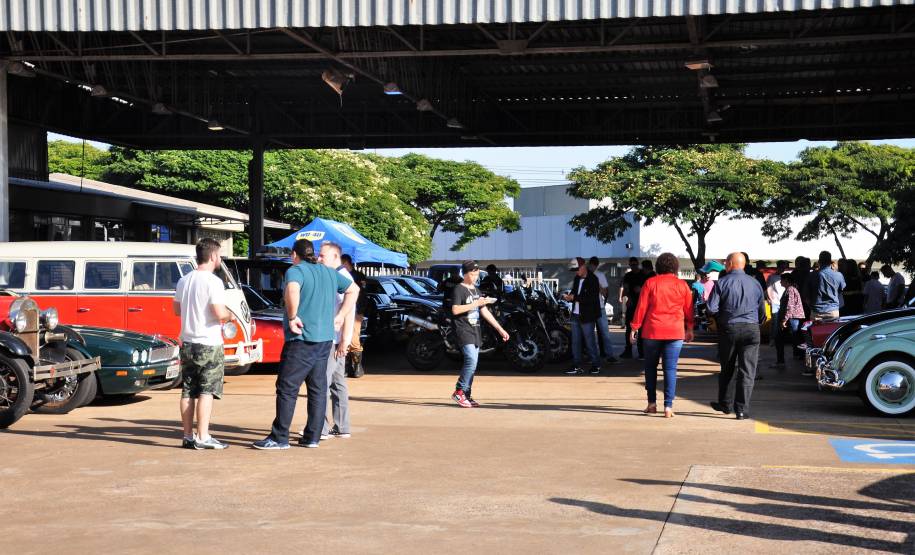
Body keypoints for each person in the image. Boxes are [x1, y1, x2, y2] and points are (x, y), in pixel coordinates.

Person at [253, 238, 358, 450]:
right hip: (325, 340)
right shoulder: (328, 272)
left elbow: (292, 290)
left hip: (301, 339)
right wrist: (341, 315)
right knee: (318, 389)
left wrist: (292, 316)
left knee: (287, 388)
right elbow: (353, 290)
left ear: (294, 255)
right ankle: (313, 437)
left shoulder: (296, 270)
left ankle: (279, 437)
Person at [173, 238, 232, 450]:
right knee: (207, 390)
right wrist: (229, 316)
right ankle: (203, 436)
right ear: (213, 256)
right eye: (219, 255)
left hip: (187, 341)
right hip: (209, 342)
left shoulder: (184, 280)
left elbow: (177, 310)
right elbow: (219, 312)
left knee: (188, 390)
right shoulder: (213, 282)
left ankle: (188, 436)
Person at [628, 253, 694, 418]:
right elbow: (689, 309)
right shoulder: (682, 285)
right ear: (676, 267)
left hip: (652, 331)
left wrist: (634, 327)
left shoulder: (650, 283)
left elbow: (641, 307)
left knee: (650, 367)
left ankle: (651, 404)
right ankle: (668, 407)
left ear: (658, 267)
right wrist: (690, 328)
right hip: (675, 331)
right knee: (670, 369)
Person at [708, 252, 766, 420]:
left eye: (726, 262)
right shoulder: (755, 283)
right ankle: (741, 410)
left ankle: (725, 404)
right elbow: (762, 312)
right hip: (752, 329)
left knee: (727, 368)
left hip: (729, 328)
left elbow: (712, 308)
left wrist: (723, 316)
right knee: (747, 371)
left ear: (731, 264)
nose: (725, 264)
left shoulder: (722, 283)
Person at [451, 260, 509, 408]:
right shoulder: (459, 289)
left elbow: (484, 312)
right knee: (470, 360)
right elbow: (455, 310)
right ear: (464, 273)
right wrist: (475, 304)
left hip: (475, 330)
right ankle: (459, 391)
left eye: (477, 274)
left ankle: (466, 394)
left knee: (473, 364)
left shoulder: (476, 290)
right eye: (472, 274)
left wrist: (500, 329)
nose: (475, 277)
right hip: (463, 329)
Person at [319, 243, 355, 440]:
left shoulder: (341, 279)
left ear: (335, 257)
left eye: (322, 255)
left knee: (322, 382)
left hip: (334, 339)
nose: (318, 259)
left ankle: (321, 428)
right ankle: (341, 427)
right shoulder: (339, 277)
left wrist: (344, 341)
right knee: (337, 382)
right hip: (337, 339)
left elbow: (348, 312)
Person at [564, 257, 603, 375]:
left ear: (583, 266)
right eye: (575, 270)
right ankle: (576, 365)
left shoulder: (593, 279)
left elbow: (591, 298)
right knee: (575, 342)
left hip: (587, 316)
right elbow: (575, 291)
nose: (576, 272)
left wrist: (573, 298)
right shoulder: (577, 278)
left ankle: (596, 364)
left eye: (577, 269)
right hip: (576, 314)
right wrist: (569, 296)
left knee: (589, 341)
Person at [588, 256, 619, 365]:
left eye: (593, 265)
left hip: (598, 307)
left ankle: (607, 354)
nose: (591, 267)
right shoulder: (585, 275)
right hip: (593, 307)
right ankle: (595, 355)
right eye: (590, 265)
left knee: (602, 332)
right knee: (592, 333)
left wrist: (598, 287)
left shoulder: (599, 275)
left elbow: (605, 292)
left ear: (595, 265)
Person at [773, 273, 804, 370]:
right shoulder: (791, 289)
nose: (780, 282)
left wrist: (784, 320)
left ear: (786, 280)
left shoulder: (790, 290)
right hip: (792, 318)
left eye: (781, 280)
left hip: (791, 318)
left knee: (781, 338)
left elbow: (790, 306)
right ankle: (798, 356)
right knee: (794, 338)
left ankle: (781, 361)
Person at [811, 251, 845, 321]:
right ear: (830, 262)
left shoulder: (812, 275)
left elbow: (806, 294)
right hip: (833, 311)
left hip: (816, 311)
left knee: (816, 331)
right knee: (834, 331)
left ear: (819, 261)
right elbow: (841, 289)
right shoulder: (838, 275)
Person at [619, 257, 642, 358]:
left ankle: (641, 351)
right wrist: (625, 298)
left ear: (638, 264)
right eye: (631, 265)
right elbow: (625, 288)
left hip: (642, 305)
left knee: (641, 328)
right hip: (632, 304)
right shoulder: (628, 275)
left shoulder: (643, 275)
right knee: (629, 328)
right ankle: (628, 350)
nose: (633, 267)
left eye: (634, 265)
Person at [766, 260, 789, 343]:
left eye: (784, 267)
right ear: (778, 267)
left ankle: (781, 339)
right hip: (775, 301)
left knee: (784, 320)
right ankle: (773, 339)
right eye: (782, 267)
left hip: (784, 301)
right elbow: (768, 287)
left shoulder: (786, 276)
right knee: (775, 322)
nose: (783, 269)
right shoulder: (772, 277)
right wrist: (769, 298)